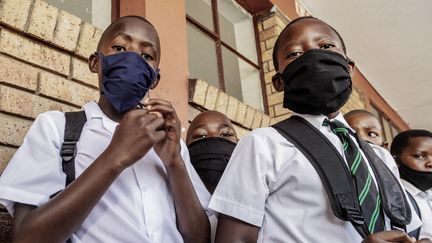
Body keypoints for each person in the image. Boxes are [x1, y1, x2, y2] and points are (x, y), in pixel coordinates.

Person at [208, 16, 422, 243]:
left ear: (349, 68)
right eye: (294, 54)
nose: (313, 56)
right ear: (279, 82)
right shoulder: (262, 144)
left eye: (326, 47)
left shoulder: (381, 157)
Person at [0, 16, 210, 243]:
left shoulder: (172, 145)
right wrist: (116, 155)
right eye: (119, 48)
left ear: (154, 79)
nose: (132, 59)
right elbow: (26, 237)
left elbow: (201, 239)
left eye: (147, 56)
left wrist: (175, 163)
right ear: (95, 62)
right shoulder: (57, 128)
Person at [186, 110, 238, 243]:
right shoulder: (173, 200)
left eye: (226, 134)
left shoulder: (258, 197)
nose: (214, 138)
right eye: (200, 136)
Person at [391, 130, 432, 239]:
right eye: (419, 156)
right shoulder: (393, 199)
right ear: (396, 160)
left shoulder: (429, 194)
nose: (430, 163)